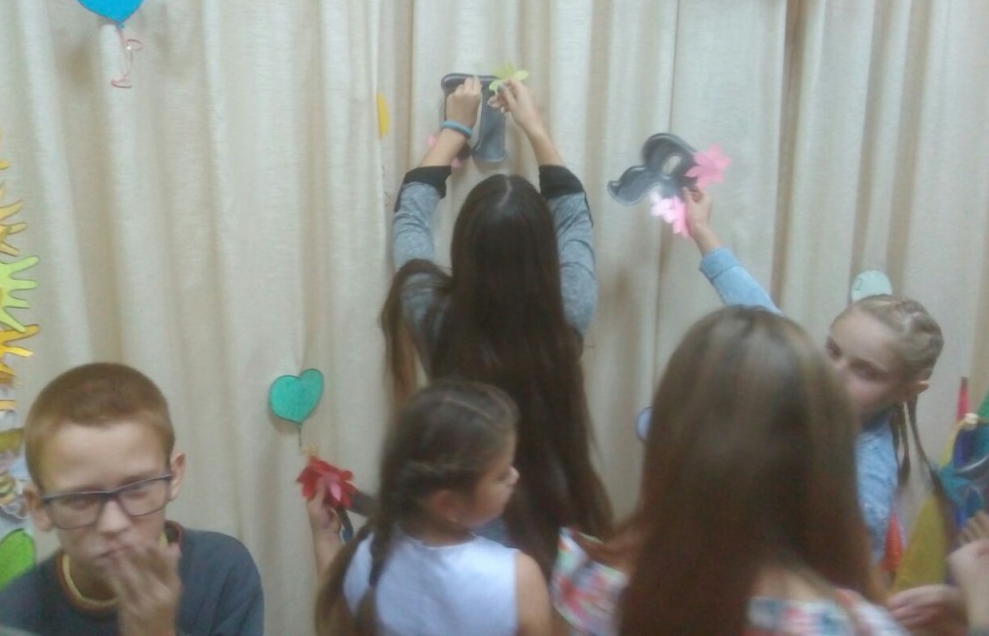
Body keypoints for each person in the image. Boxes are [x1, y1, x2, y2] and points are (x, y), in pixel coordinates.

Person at [551, 307, 907, 636]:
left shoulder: (587, 585)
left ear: (670, 438)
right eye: (833, 352)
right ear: (824, 458)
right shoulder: (859, 628)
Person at [381, 77, 611, 575]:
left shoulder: (433, 314)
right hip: (552, 521)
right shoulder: (568, 311)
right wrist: (534, 127)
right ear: (544, 256)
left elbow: (409, 220)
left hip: (462, 518)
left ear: (463, 250)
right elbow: (575, 220)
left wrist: (454, 127)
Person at [682, 187, 944, 563]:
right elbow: (758, 311)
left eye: (865, 372)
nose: (834, 372)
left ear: (908, 389)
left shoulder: (868, 477)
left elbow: (844, 575)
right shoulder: (811, 380)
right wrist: (702, 229)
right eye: (833, 351)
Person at [0, 363, 264, 636]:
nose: (113, 524)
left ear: (173, 476)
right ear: (38, 506)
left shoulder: (221, 571)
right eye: (81, 499)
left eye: (137, 488)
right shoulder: (8, 618)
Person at [313, 380, 550, 636]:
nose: (515, 476)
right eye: (502, 474)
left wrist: (324, 536)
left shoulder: (363, 558)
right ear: (448, 504)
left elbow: (341, 614)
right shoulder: (517, 579)